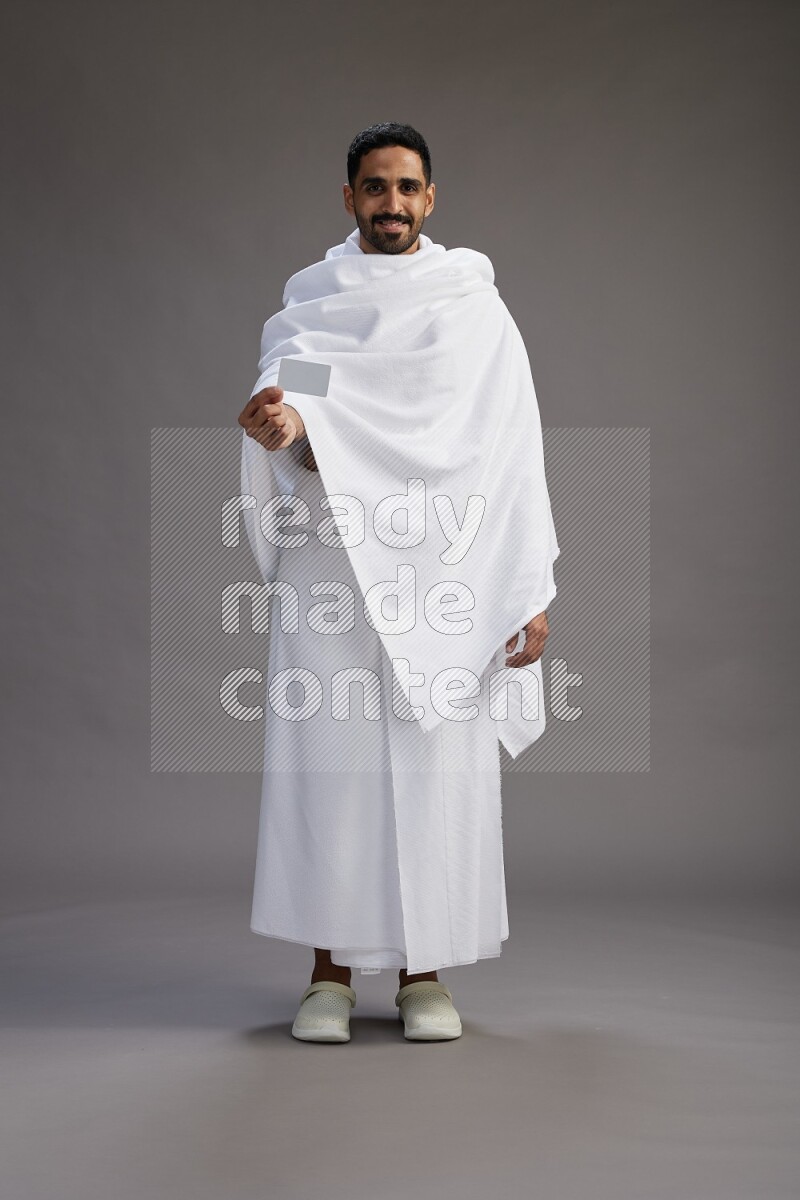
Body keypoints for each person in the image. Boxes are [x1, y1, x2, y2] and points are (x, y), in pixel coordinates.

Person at [237, 122, 559, 1043]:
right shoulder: (316, 301)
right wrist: (281, 426)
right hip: (335, 558)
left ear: (431, 198)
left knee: (435, 766)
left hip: (448, 569)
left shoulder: (473, 308)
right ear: (349, 199)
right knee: (328, 766)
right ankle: (327, 977)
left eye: (407, 188)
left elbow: (514, 450)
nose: (391, 204)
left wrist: (528, 586)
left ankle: (426, 976)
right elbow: (292, 402)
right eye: (374, 188)